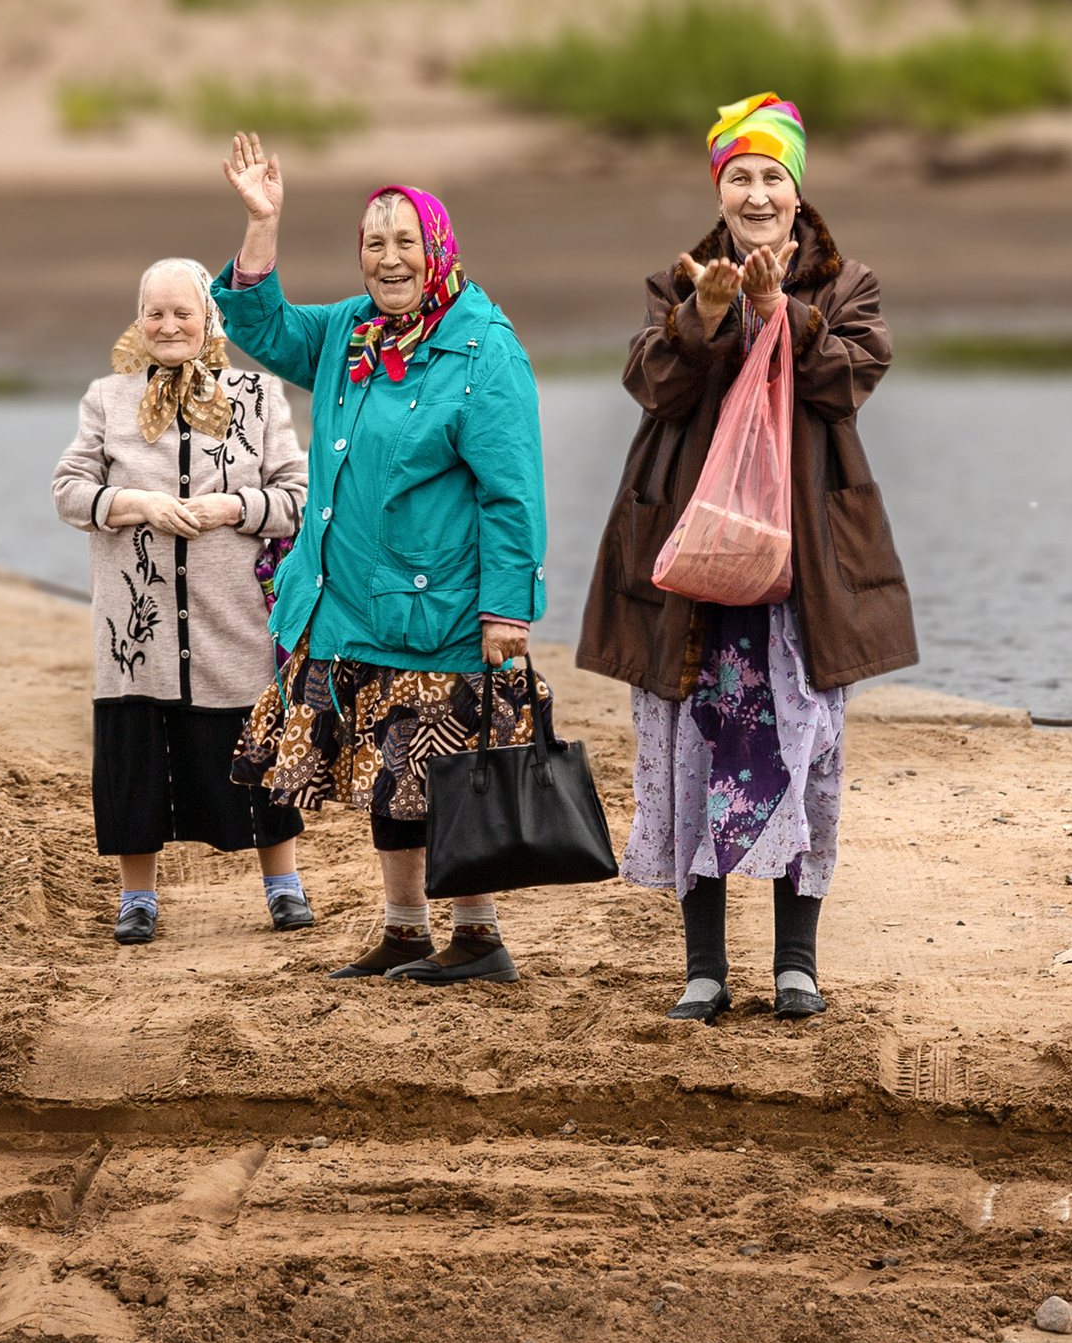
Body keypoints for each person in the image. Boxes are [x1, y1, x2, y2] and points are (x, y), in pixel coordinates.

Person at [579, 92, 918, 1023]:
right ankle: (703, 968)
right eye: (741, 177)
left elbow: (850, 381)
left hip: (801, 571)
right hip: (696, 564)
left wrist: (782, 313)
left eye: (774, 176)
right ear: (718, 190)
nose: (758, 193)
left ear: (800, 192)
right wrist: (708, 314)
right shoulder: (676, 280)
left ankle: (796, 965)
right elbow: (653, 383)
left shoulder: (849, 287)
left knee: (802, 755)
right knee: (695, 752)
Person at [213, 134, 550, 986]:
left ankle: (477, 937)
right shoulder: (351, 331)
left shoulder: (483, 348)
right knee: (387, 780)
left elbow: (512, 494)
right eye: (374, 243)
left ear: (437, 249)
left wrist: (507, 612)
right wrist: (263, 222)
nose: (389, 259)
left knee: (450, 776)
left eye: (406, 242)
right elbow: (259, 323)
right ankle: (405, 934)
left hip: (439, 612)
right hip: (348, 605)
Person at [52, 257, 312, 948]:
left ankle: (283, 886)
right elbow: (69, 492)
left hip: (236, 621)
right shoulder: (106, 398)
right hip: (137, 633)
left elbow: (299, 497)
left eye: (183, 313)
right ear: (139, 321)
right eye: (155, 313)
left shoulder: (259, 395)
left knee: (253, 755)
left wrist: (233, 505)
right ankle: (137, 898)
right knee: (137, 761)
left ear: (210, 321)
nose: (168, 325)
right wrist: (136, 505)